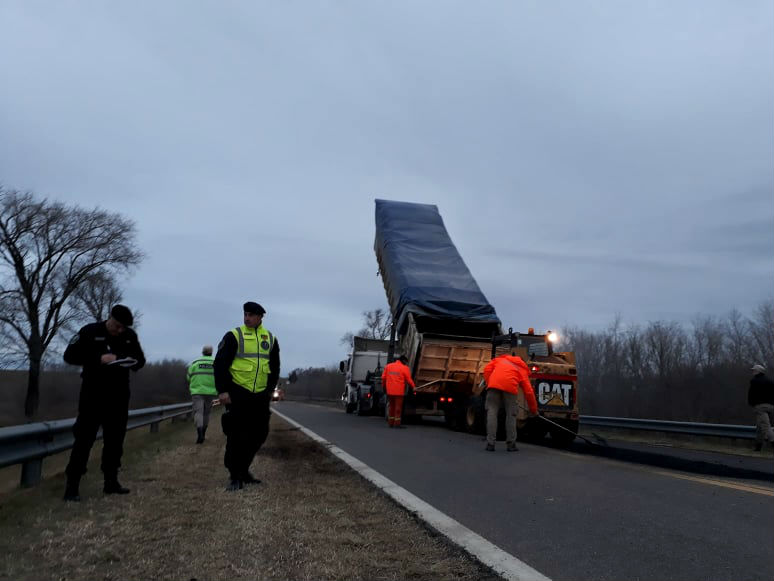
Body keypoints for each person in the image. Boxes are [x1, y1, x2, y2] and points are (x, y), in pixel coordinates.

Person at [62, 304, 146, 501]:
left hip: (119, 395)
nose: (119, 330)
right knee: (84, 439)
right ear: (110, 318)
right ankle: (72, 487)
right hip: (93, 394)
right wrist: (98, 359)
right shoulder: (89, 331)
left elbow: (140, 360)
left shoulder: (129, 336)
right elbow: (70, 356)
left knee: (115, 440)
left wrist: (127, 360)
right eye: (117, 326)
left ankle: (111, 482)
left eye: (123, 328)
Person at [214, 301, 280, 491]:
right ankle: (235, 475)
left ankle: (243, 469)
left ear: (260, 317)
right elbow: (220, 364)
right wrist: (223, 390)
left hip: (260, 395)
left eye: (251, 315)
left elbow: (275, 368)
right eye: (245, 314)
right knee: (237, 435)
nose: (247, 318)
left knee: (259, 434)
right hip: (238, 392)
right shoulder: (234, 335)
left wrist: (269, 390)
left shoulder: (271, 339)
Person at [482, 353, 538, 452]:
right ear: (522, 361)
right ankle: (511, 444)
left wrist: (489, 382)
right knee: (511, 415)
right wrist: (533, 410)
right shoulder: (522, 368)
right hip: (510, 389)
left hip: (493, 387)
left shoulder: (500, 360)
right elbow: (529, 391)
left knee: (491, 412)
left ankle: (490, 444)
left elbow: (487, 369)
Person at [187, 345, 217, 444]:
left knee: (198, 412)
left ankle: (199, 434)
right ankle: (203, 433)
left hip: (197, 391)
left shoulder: (195, 363)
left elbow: (188, 377)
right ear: (211, 352)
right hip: (211, 392)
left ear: (202, 352)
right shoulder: (215, 363)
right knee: (207, 413)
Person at [381, 355, 415, 428]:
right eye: (406, 362)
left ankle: (390, 423)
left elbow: (383, 378)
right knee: (398, 408)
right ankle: (397, 424)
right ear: (403, 361)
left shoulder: (388, 366)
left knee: (391, 407)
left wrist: (383, 387)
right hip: (399, 392)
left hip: (390, 391)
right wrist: (414, 387)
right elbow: (409, 380)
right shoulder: (405, 368)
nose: (406, 363)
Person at [748, 364, 774, 452]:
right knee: (759, 426)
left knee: (766, 426)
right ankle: (758, 447)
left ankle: (772, 441)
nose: (752, 372)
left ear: (757, 371)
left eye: (754, 370)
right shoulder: (770, 381)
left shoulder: (754, 381)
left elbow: (751, 394)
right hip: (770, 406)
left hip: (760, 406)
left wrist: (751, 403)